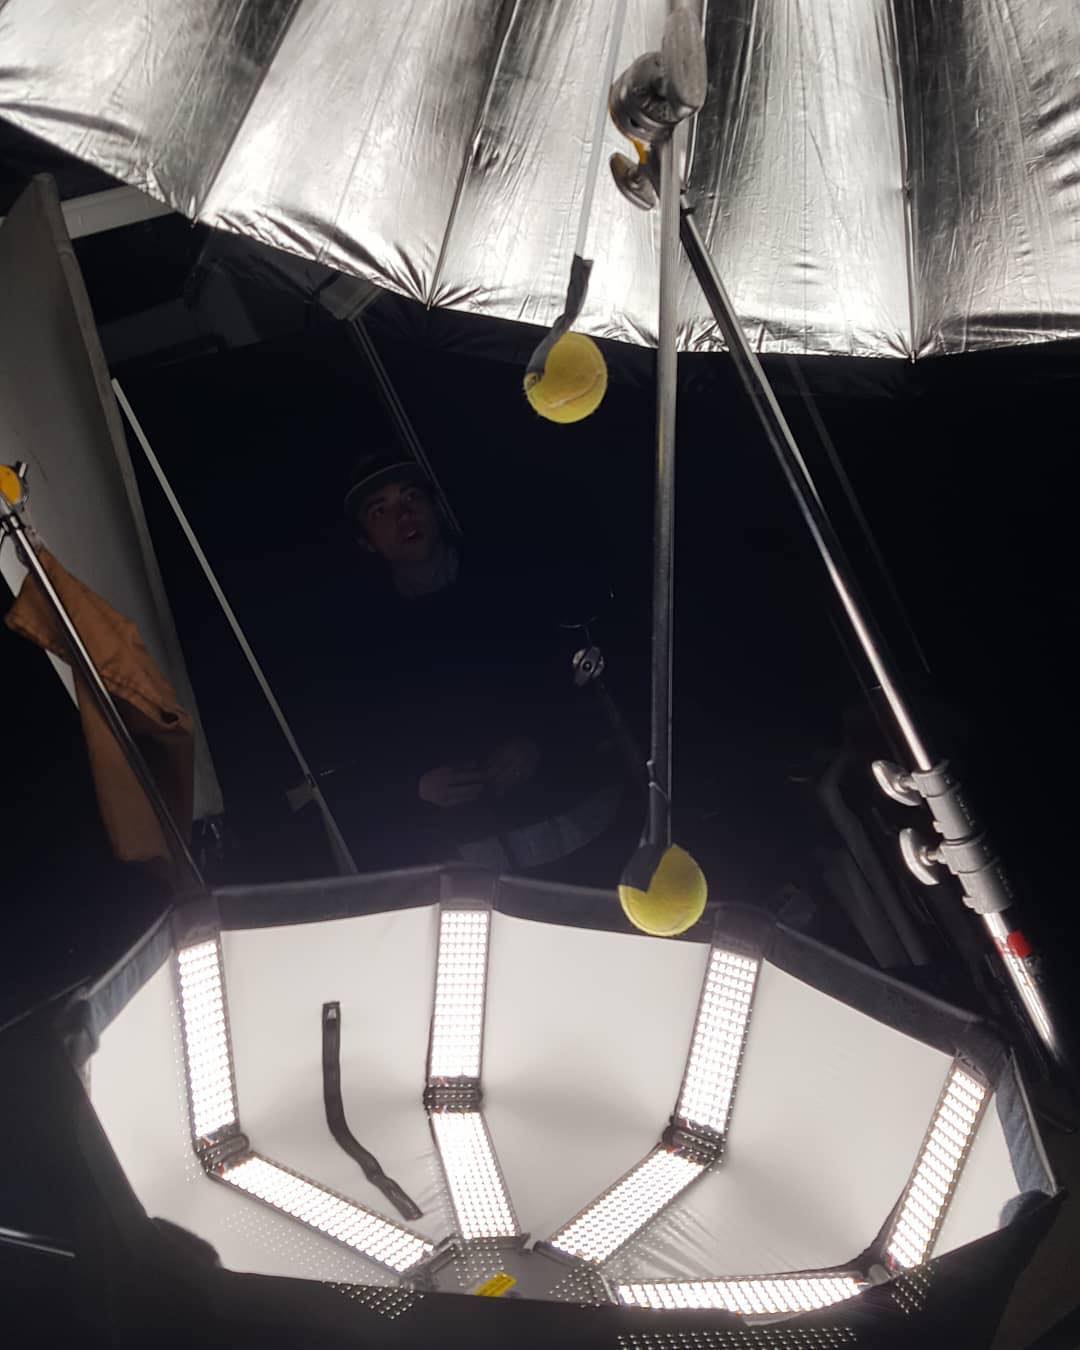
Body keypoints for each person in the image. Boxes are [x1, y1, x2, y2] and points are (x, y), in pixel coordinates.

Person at [304, 453, 628, 878]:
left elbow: (583, 675)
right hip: (478, 868)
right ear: (367, 541)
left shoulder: (509, 576)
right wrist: (417, 786)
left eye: (411, 497)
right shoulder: (367, 641)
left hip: (589, 824)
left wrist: (537, 741)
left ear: (434, 507)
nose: (403, 516)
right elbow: (364, 752)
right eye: (380, 511)